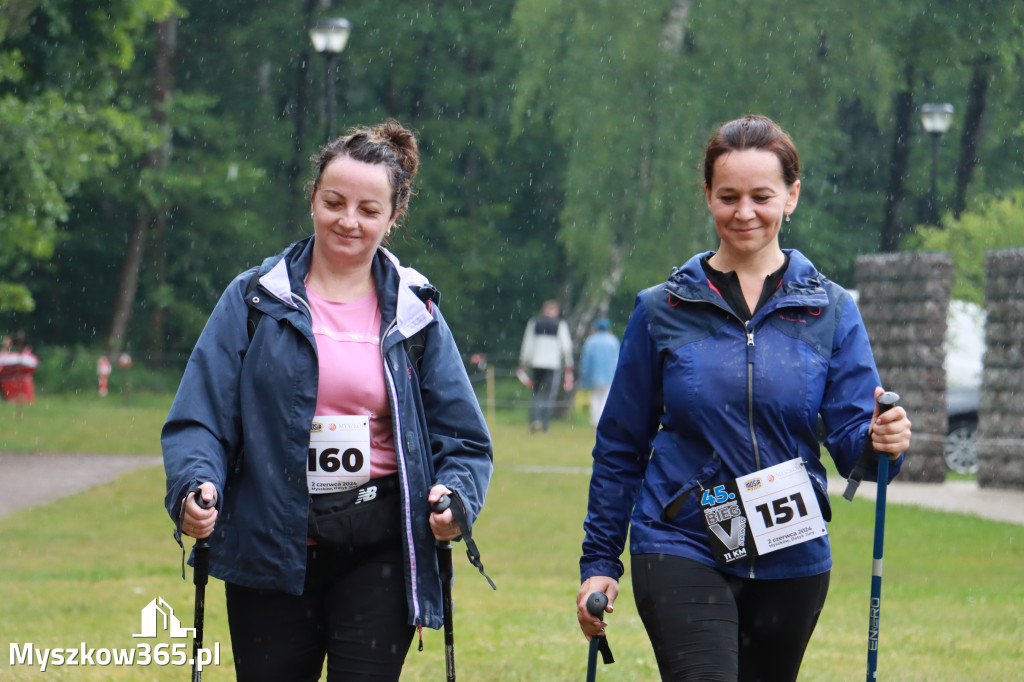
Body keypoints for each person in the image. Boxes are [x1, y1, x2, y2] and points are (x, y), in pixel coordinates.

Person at [575, 114, 912, 682]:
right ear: (707, 195)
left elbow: (859, 445)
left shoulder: (830, 311)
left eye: (762, 195)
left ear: (791, 197)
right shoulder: (662, 310)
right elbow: (620, 445)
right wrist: (599, 561)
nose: (744, 212)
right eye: (728, 196)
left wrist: (885, 442)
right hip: (681, 536)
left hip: (792, 549)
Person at [162, 119, 493, 681]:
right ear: (313, 200)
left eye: (369, 210)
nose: (348, 220)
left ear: (393, 219)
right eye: (335, 202)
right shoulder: (253, 299)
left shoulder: (417, 314)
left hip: (381, 549)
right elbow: (200, 416)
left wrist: (456, 498)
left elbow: (463, 438)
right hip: (269, 546)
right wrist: (195, 484)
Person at [518, 300, 574, 432]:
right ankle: (545, 425)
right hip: (552, 364)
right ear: (556, 312)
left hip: (536, 362)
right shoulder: (560, 324)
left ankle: (535, 419)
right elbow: (566, 347)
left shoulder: (534, 322)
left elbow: (528, 344)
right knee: (550, 394)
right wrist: (569, 363)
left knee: (536, 392)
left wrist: (523, 362)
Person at [578, 318, 620, 427]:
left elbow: (586, 360)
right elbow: (617, 359)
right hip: (610, 375)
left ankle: (595, 421)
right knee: (606, 398)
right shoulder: (613, 340)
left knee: (595, 398)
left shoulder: (591, 341)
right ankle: (603, 421)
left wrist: (585, 374)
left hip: (594, 375)